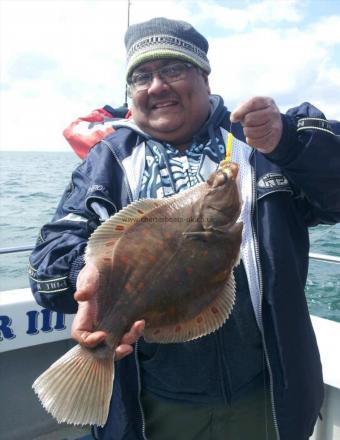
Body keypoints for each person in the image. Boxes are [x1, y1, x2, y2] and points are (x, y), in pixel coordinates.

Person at [29, 17, 340, 440]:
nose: (156, 85)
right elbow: (47, 263)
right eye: (141, 76)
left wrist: (288, 144)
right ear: (130, 92)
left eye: (173, 69)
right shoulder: (107, 162)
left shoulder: (265, 141)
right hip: (155, 403)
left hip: (267, 395)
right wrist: (84, 278)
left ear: (205, 77)